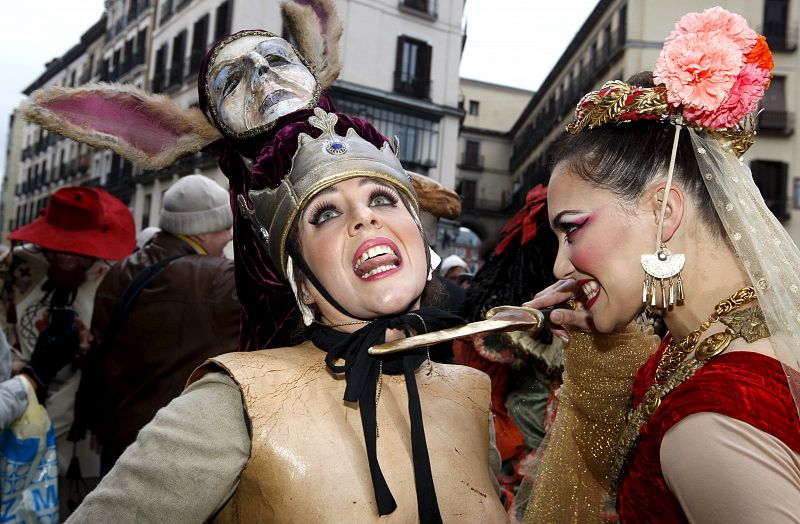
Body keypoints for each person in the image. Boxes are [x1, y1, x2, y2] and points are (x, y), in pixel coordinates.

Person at [24, 1, 507, 521]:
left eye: (383, 199)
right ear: (293, 273)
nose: (364, 220)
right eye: (324, 213)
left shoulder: (470, 396)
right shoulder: (237, 405)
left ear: (418, 227)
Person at [523, 7, 800, 522]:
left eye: (573, 227)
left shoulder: (713, 421)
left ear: (663, 211)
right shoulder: (707, 341)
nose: (561, 264)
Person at [74, 174, 239, 472]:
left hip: (118, 443)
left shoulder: (117, 272)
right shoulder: (217, 280)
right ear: (200, 233)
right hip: (171, 454)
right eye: (225, 227)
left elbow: (101, 355)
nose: (230, 235)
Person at [0, 186, 135, 515]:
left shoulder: (112, 278)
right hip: (15, 413)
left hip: (79, 424)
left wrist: (93, 350)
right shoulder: (15, 267)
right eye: (58, 248)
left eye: (76, 249)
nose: (66, 256)